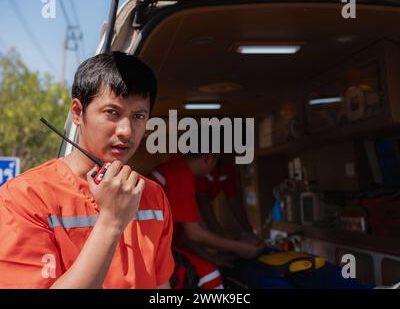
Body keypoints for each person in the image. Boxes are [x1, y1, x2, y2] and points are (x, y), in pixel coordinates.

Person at [0, 52, 174, 289]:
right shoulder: (25, 198)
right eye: (112, 112)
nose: (126, 130)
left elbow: (161, 287)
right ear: (77, 112)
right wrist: (111, 221)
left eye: (139, 116)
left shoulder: (152, 195)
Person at [151, 153, 265, 289]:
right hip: (152, 249)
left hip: (162, 244)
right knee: (210, 276)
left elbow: (183, 235)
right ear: (209, 159)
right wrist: (241, 248)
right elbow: (193, 233)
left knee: (209, 267)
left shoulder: (177, 167)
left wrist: (210, 257)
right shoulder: (181, 173)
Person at [195, 155, 257, 239]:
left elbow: (235, 203)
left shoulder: (227, 168)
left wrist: (250, 234)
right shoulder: (202, 166)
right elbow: (204, 204)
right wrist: (223, 238)